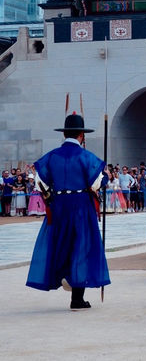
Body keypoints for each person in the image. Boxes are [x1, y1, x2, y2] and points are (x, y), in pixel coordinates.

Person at [26, 112, 110, 310]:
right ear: (81, 135)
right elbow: (96, 184)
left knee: (61, 243)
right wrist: (104, 178)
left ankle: (65, 276)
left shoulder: (52, 156)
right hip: (81, 204)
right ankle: (77, 298)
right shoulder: (86, 156)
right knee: (82, 246)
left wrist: (52, 198)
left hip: (59, 204)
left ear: (65, 134)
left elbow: (40, 183)